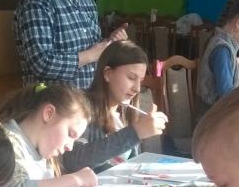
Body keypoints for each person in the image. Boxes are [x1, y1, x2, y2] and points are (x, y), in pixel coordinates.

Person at [13, 0, 127, 88]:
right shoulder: (37, 1)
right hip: (52, 97)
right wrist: (90, 55)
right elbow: (40, 63)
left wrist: (109, 42)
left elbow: (92, 47)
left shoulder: (87, 0)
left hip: (89, 95)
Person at [61, 41, 168, 174]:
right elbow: (72, 160)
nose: (137, 88)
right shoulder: (81, 108)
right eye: (131, 77)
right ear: (107, 73)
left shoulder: (124, 112)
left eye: (140, 81)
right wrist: (135, 132)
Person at [0, 83, 97, 187]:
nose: (70, 147)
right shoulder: (5, 141)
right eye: (70, 134)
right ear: (49, 113)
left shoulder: (41, 149)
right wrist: (76, 179)